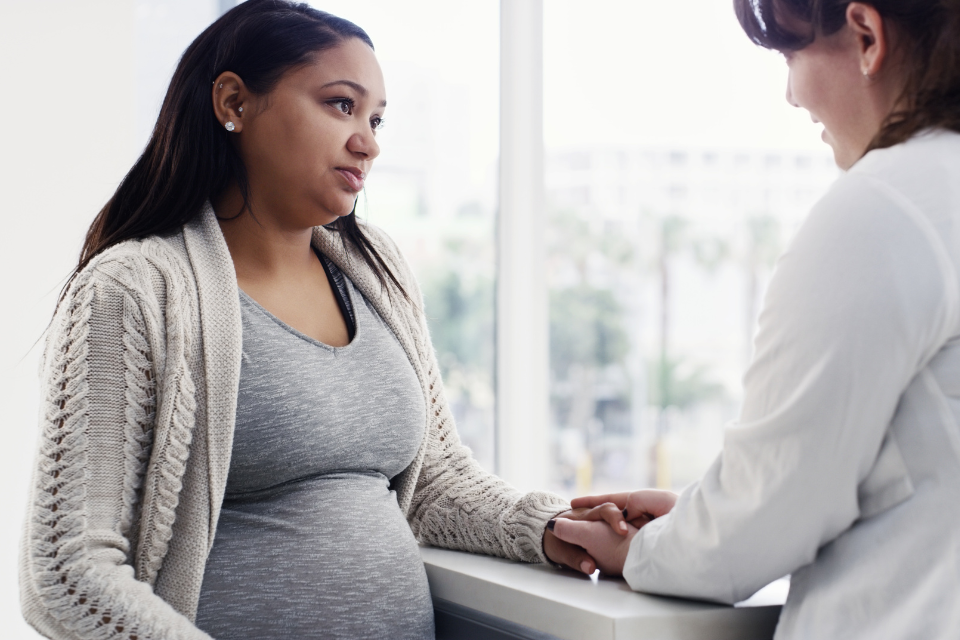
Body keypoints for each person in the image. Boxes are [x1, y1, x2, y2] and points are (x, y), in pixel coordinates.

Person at [18, 2, 617, 639]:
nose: (370, 141)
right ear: (234, 103)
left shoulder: (376, 268)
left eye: (376, 118)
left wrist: (554, 529)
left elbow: (436, 485)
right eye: (340, 105)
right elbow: (66, 569)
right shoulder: (134, 289)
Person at [549, 1, 960, 638]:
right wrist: (703, 510)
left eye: (792, 56)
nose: (793, 96)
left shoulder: (882, 212)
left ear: (867, 37)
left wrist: (645, 551)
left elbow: (762, 520)